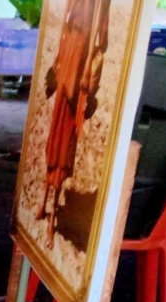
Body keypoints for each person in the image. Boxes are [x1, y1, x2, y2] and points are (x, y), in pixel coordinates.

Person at [36, 0, 108, 248]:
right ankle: (44, 200)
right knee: (54, 139)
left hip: (79, 67)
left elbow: (101, 36)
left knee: (65, 140)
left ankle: (53, 211)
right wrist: (57, 60)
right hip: (68, 55)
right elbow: (65, 20)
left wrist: (87, 68)